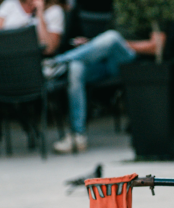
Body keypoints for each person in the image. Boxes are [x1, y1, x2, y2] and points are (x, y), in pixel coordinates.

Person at [45, 26, 164, 154]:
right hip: (103, 62)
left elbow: (156, 47)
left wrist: (119, 44)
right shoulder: (118, 11)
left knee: (112, 37)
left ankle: (56, 63)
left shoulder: (151, 13)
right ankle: (78, 135)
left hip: (128, 61)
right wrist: (93, 44)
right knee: (75, 67)